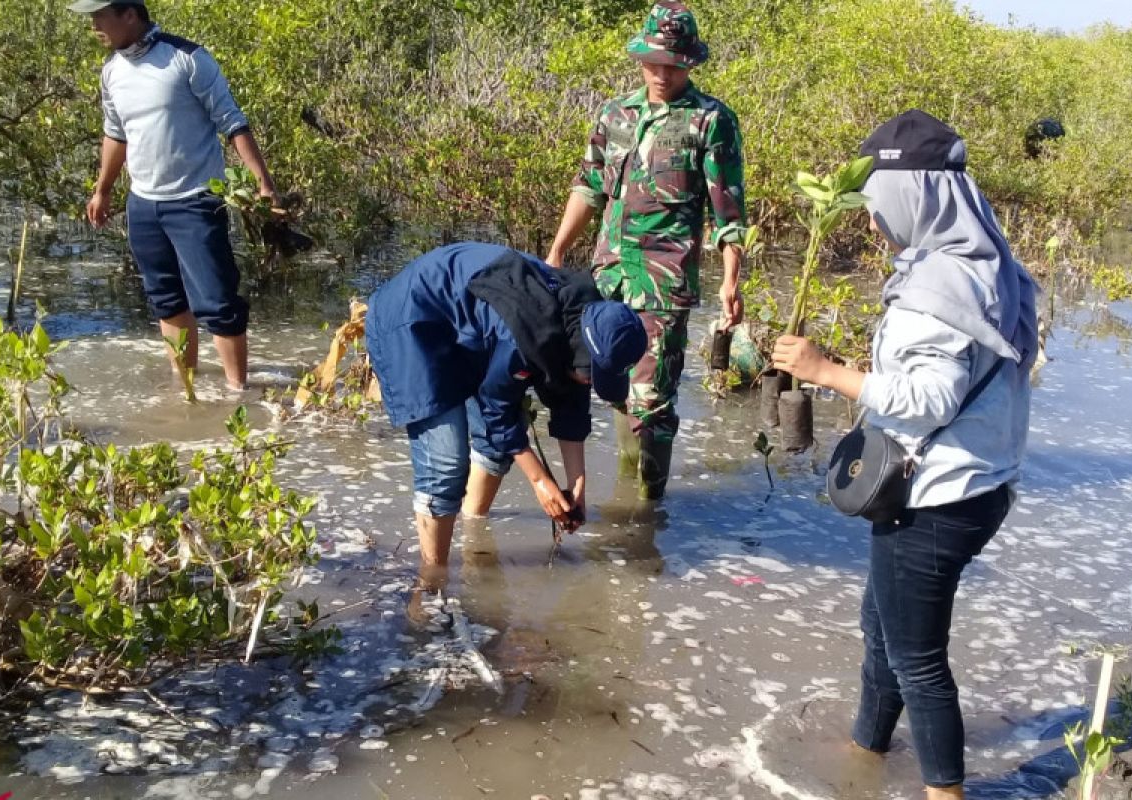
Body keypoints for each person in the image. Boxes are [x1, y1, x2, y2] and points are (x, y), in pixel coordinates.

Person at [773, 110, 1038, 799]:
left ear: (910, 196)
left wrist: (825, 370)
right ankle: (866, 750)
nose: (869, 222)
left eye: (876, 205)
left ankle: (944, 793)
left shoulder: (936, 289)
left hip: (935, 497)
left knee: (917, 659)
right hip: (983, 485)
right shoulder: (984, 260)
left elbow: (927, 399)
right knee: (882, 627)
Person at [544, 0, 748, 500]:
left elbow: (728, 214)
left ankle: (646, 512)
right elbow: (588, 186)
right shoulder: (616, 114)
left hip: (664, 282)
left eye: (673, 64)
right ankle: (624, 500)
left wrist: (731, 282)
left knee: (652, 402)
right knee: (610, 384)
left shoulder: (710, 121)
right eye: (653, 62)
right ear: (640, 59)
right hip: (608, 275)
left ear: (690, 63)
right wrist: (554, 255)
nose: (662, 73)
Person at [365, 242, 647, 575]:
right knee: (445, 463)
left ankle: (473, 532)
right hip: (412, 319)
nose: (588, 382)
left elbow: (572, 400)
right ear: (577, 352)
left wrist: (578, 484)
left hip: (470, 321)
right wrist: (540, 481)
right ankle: (432, 582)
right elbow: (497, 414)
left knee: (499, 448)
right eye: (588, 374)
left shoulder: (588, 322)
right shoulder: (528, 333)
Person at [71, 0, 278, 390]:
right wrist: (103, 190)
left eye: (100, 17)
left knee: (218, 303)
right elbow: (116, 134)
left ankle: (238, 396)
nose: (94, 26)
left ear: (129, 15)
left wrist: (264, 183)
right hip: (144, 205)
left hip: (196, 201)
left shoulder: (188, 58)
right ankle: (186, 393)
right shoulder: (111, 71)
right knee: (166, 300)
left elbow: (233, 122)